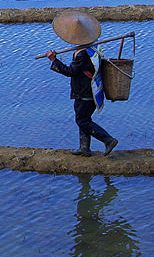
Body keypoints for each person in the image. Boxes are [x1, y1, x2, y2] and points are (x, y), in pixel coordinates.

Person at [46, 10, 119, 157]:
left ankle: (108, 140)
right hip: (91, 90)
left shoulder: (83, 54)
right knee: (83, 118)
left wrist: (54, 60)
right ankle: (84, 148)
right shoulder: (92, 47)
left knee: (82, 120)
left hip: (85, 91)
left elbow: (70, 72)